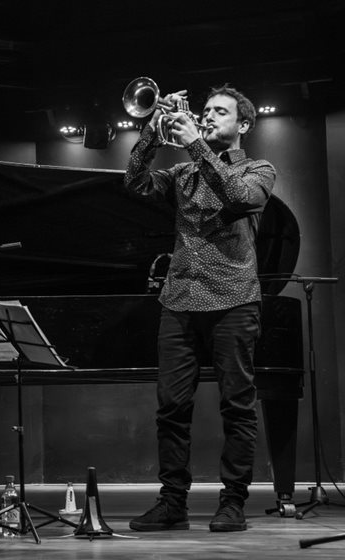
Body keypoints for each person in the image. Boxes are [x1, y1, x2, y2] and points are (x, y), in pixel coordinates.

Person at [124, 85, 276, 532]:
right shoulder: (182, 173)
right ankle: (172, 504)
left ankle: (232, 504)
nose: (208, 117)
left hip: (234, 300)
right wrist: (152, 135)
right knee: (170, 408)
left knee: (238, 407)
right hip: (180, 301)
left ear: (243, 125)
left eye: (219, 112)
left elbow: (238, 197)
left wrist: (192, 140)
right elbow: (133, 182)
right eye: (204, 111)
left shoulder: (259, 169)